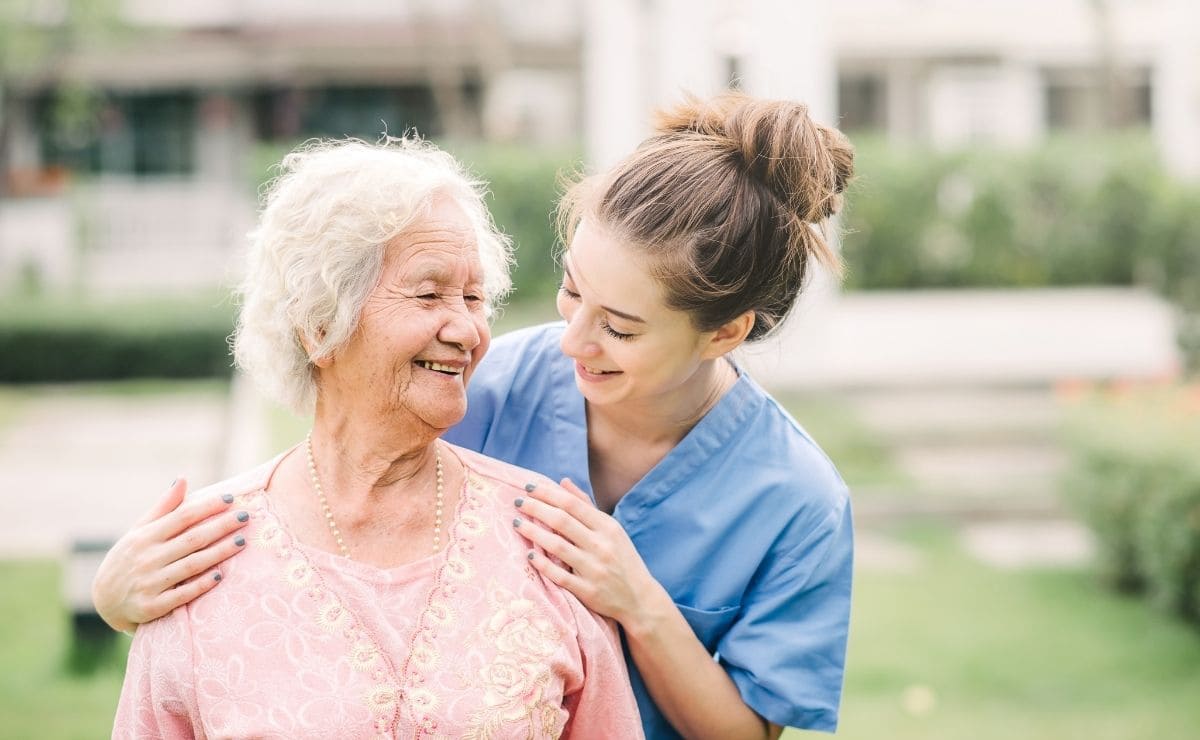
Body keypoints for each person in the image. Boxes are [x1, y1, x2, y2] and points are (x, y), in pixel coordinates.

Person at [99, 92, 855, 739]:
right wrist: (122, 594)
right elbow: (342, 462)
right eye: (570, 290)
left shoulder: (798, 502)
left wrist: (639, 603)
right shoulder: (488, 382)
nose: (574, 339)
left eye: (619, 328)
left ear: (725, 333)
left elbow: (752, 732)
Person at [111, 138, 643, 739]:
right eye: (429, 293)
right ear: (319, 325)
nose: (467, 328)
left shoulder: (545, 535)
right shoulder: (200, 559)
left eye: (474, 298)